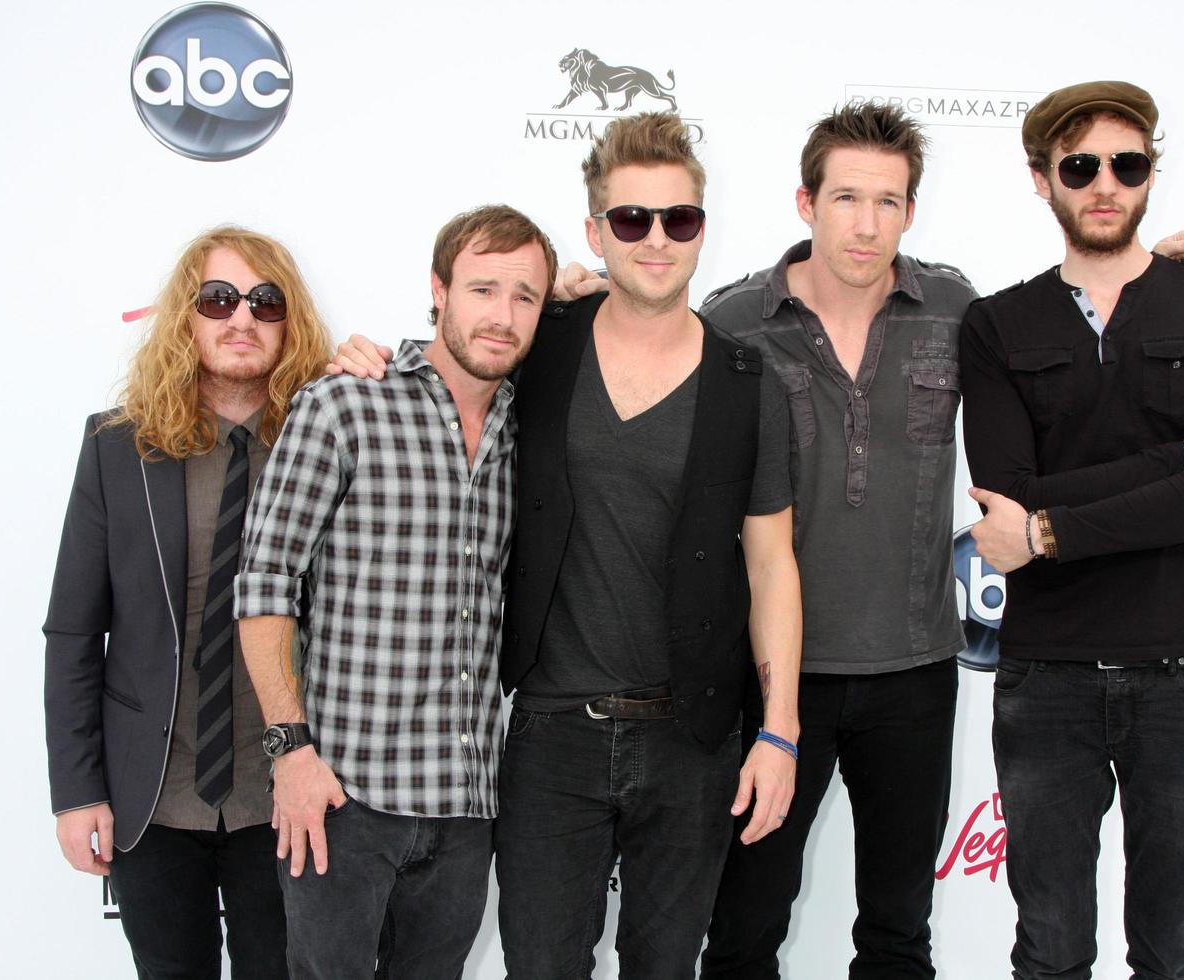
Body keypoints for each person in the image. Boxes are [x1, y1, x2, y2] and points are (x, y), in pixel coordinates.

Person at [556, 102, 1184, 980]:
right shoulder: (736, 317)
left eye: (889, 202)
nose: (866, 225)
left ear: (911, 210)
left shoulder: (955, 309)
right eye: (846, 199)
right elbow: (645, 329)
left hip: (916, 673)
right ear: (804, 202)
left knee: (899, 931)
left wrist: (1148, 280)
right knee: (745, 928)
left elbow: (1068, 358)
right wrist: (576, 294)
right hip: (770, 680)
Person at [331, 113, 802, 979]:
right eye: (631, 220)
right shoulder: (541, 347)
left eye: (679, 220)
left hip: (694, 738)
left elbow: (772, 565)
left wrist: (779, 732)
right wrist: (367, 357)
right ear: (595, 231)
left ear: (702, 226)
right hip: (552, 733)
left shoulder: (748, 382)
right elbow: (453, 355)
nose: (656, 240)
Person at [959, 80, 1184, 980]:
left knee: (1172, 955)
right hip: (1046, 681)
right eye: (1081, 165)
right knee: (1050, 954)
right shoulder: (996, 325)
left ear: (1149, 177)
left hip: (1183, 677)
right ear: (1042, 179)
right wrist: (1171, 463)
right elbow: (1006, 493)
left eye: (1126, 164)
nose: (1105, 183)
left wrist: (1050, 530)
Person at [233, 205, 557, 978]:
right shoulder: (345, 405)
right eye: (483, 289)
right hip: (344, 801)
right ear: (438, 291)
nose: (503, 316)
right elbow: (265, 583)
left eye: (526, 296)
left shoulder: (534, 429)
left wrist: (578, 280)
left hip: (467, 809)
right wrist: (291, 751)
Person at [44, 226, 333, 978]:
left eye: (265, 302)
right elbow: (75, 630)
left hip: (288, 795)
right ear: (186, 316)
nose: (242, 318)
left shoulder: (330, 440)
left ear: (289, 321)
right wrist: (76, 793)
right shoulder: (117, 447)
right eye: (219, 298)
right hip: (154, 797)